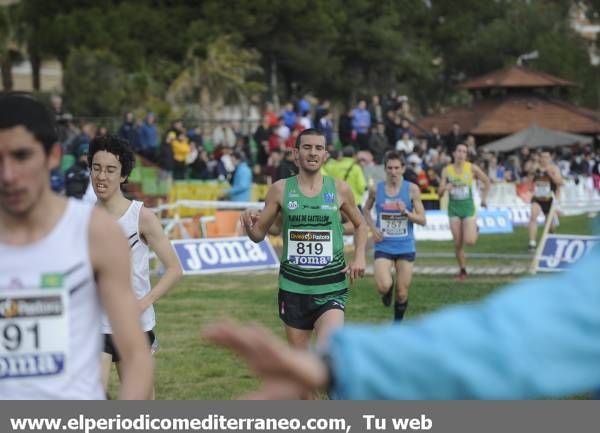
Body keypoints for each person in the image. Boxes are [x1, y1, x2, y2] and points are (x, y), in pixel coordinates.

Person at [204, 240, 600, 399]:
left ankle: (394, 307)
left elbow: (531, 331)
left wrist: (343, 364)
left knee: (405, 290)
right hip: (310, 289)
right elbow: (541, 327)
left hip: (391, 258)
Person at [0, 93, 153, 399]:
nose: (8, 175)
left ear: (53, 156)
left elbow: (136, 356)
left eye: (21, 156)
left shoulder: (96, 233)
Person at [239, 128, 367, 354]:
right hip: (293, 288)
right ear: (295, 153)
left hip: (332, 286)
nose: (313, 152)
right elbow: (260, 234)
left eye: (319, 148)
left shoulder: (339, 189)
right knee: (303, 370)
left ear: (325, 154)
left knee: (328, 354)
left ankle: (335, 387)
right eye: (307, 147)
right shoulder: (279, 189)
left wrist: (359, 257)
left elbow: (360, 224)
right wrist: (248, 222)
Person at [88, 134, 182, 398]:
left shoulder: (141, 217)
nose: (101, 176)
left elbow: (175, 269)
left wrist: (142, 302)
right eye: (96, 168)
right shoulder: (81, 217)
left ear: (123, 175)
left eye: (110, 170)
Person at [362, 151, 426, 321]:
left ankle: (397, 324)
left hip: (405, 245)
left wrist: (405, 212)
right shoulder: (376, 189)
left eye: (397, 168)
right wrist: (372, 229)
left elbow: (422, 220)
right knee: (384, 285)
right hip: (384, 244)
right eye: (389, 168)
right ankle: (386, 292)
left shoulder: (412, 189)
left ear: (403, 169)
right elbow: (366, 210)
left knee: (402, 292)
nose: (393, 172)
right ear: (385, 169)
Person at [438, 143, 490, 280]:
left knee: (470, 241)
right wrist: (445, 188)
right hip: (453, 210)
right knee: (458, 243)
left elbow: (487, 182)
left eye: (464, 152)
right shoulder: (446, 170)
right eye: (459, 151)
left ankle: (475, 228)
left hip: (468, 209)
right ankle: (463, 271)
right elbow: (439, 193)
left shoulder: (472, 168)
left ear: (466, 155)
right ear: (454, 153)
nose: (461, 154)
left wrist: (484, 199)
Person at [527, 148, 564, 252]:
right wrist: (532, 174)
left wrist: (551, 174)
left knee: (550, 225)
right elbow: (528, 182)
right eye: (542, 157)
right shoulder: (536, 168)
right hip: (538, 198)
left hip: (550, 199)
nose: (544, 159)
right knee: (533, 215)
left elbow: (560, 183)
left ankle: (551, 237)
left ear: (550, 158)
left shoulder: (554, 168)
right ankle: (532, 243)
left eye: (547, 157)